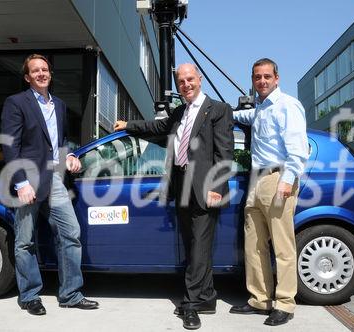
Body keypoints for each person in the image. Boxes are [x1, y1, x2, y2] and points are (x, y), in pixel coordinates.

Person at [114, 63, 233, 330]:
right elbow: (157, 128)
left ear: (199, 79)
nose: (186, 85)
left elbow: (224, 154)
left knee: (199, 248)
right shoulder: (179, 111)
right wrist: (127, 125)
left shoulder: (219, 110)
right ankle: (206, 297)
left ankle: (191, 305)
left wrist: (218, 187)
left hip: (204, 188)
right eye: (181, 82)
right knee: (194, 246)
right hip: (181, 185)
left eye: (190, 79)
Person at [1, 54, 98, 315]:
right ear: (27, 77)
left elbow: (60, 140)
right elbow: (11, 146)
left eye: (45, 69)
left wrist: (68, 155)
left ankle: (70, 293)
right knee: (24, 241)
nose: (42, 73)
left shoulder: (60, 105)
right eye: (36, 70)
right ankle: (30, 295)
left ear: (50, 74)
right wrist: (21, 183)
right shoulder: (16, 102)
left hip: (55, 178)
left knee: (70, 232)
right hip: (28, 180)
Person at [229, 58, 309, 326]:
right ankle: (260, 300)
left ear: (277, 78)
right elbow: (242, 116)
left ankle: (285, 303)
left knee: (282, 245)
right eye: (257, 77)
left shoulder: (288, 105)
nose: (261, 81)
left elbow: (298, 149)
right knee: (254, 245)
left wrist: (287, 181)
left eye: (266, 76)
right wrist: (215, 111)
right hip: (256, 182)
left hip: (278, 179)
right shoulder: (261, 109)